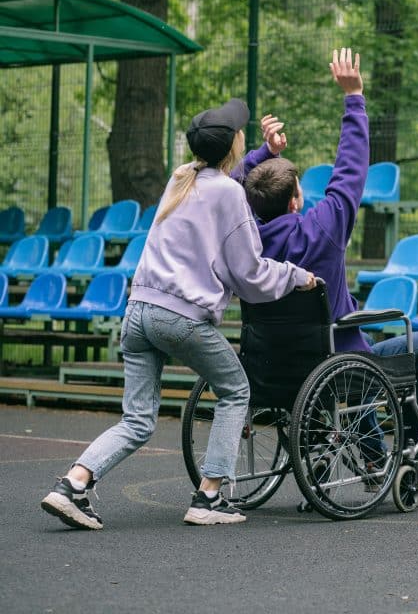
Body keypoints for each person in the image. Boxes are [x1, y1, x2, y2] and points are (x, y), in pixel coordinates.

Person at [41, 99, 316, 531]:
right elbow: (251, 275)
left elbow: (230, 177)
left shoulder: (181, 178)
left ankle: (72, 485)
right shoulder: (229, 193)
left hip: (137, 312)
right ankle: (208, 497)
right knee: (235, 390)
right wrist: (297, 276)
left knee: (136, 420)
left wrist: (266, 154)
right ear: (234, 144)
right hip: (179, 317)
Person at [244, 48, 418, 489]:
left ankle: (373, 460)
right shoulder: (322, 231)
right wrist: (355, 98)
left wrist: (258, 156)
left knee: (350, 363)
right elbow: (350, 170)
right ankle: (417, 453)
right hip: (336, 366)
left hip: (275, 370)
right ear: (295, 201)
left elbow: (233, 191)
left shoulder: (244, 239)